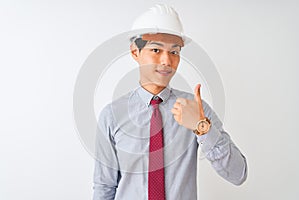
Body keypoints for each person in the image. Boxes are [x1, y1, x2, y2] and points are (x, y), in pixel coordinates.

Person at [93, 4, 247, 200]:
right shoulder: (112, 115)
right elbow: (104, 187)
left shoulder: (196, 109)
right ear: (135, 53)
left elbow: (238, 174)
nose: (167, 61)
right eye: (156, 50)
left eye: (174, 52)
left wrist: (203, 129)